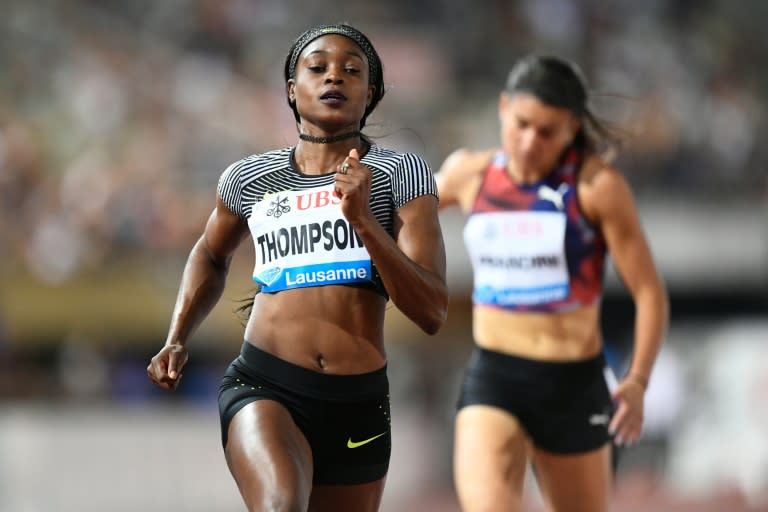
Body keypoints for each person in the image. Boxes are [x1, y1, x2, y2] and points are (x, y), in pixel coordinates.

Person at [147, 23, 448, 512]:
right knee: (280, 506)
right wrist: (178, 335)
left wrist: (365, 222)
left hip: (358, 400)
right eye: (318, 68)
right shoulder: (249, 178)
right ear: (292, 89)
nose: (335, 77)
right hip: (266, 383)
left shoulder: (402, 174)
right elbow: (209, 252)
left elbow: (432, 311)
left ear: (369, 94)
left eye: (352, 71)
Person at [436, 55, 669, 512]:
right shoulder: (471, 174)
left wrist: (638, 380)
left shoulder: (597, 187)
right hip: (494, 377)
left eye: (547, 132)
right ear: (503, 107)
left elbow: (649, 292)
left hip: (572, 384)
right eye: (521, 123)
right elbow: (401, 207)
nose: (529, 142)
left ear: (572, 128)